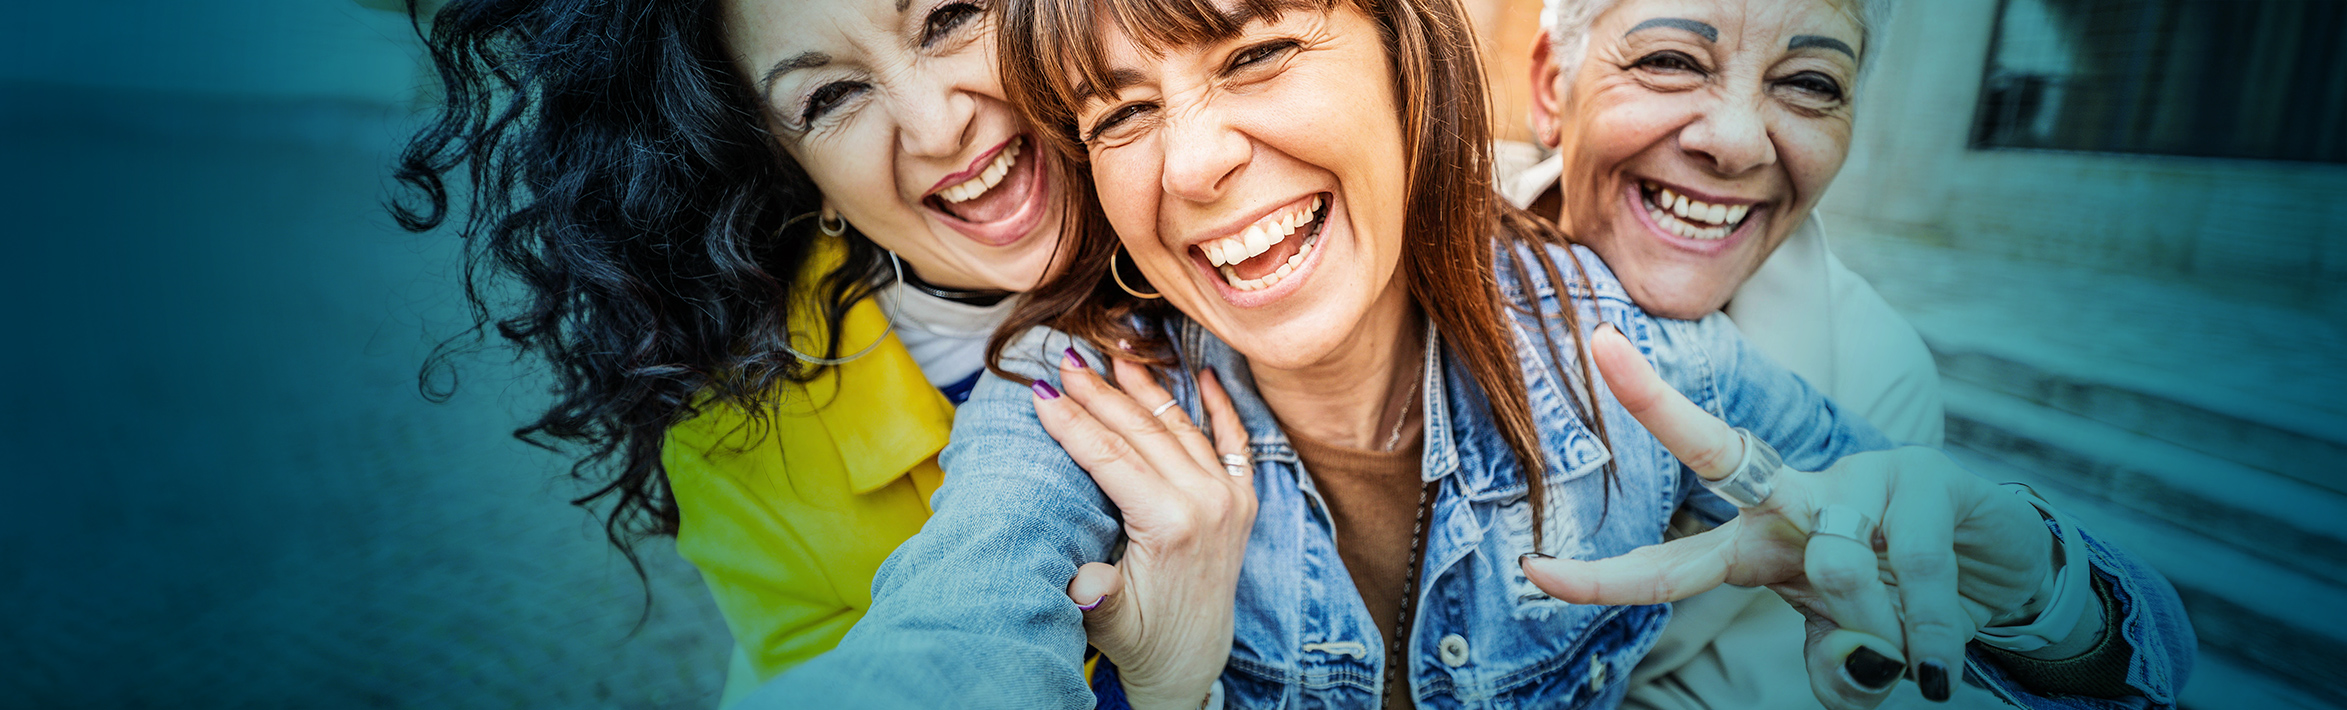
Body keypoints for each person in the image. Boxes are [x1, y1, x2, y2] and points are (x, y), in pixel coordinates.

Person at [743, 0, 2191, 708]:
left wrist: (2049, 603)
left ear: (1405, 67)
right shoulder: (1069, 402)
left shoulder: (1618, 355)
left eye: (1254, 57)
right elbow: (941, 648)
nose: (1191, 160)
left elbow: (2102, 652)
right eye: (1120, 114)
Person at [389, 0, 1070, 705]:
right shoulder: (738, 438)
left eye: (947, 18)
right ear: (798, 170)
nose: (937, 126)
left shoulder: (1186, 186)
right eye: (830, 97)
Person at [1505, 0, 1953, 705]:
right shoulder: (1404, 265)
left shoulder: (1870, 384)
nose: (1738, 142)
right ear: (1549, 85)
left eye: (1809, 83)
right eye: (1668, 62)